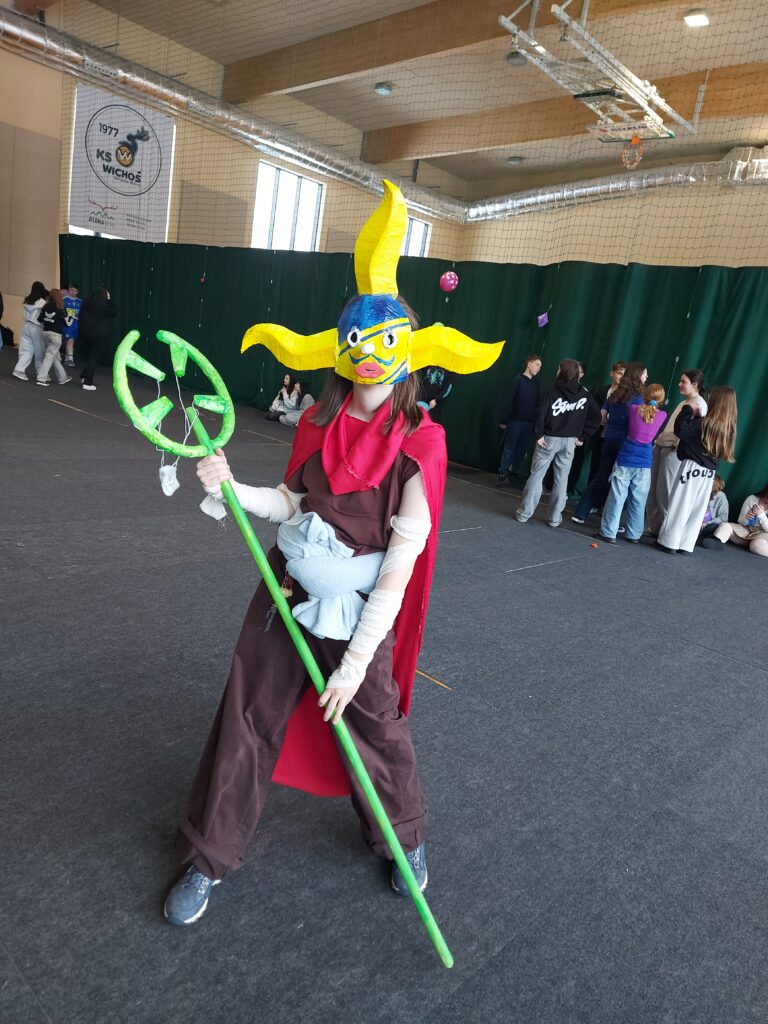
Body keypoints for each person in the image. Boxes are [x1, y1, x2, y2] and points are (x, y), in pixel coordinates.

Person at [162, 180, 504, 927]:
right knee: (247, 713)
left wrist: (352, 665)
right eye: (358, 346)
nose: (368, 360)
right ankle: (209, 855)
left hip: (359, 613)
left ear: (405, 352)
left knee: (374, 723)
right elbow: (292, 503)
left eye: (383, 346)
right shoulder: (318, 420)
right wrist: (233, 487)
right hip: (287, 591)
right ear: (344, 351)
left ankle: (401, 840)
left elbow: (400, 567)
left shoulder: (421, 445)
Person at [515, 359, 600, 528]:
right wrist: (582, 436)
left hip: (549, 438)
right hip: (569, 442)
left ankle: (524, 514)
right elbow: (596, 416)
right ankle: (554, 519)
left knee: (537, 475)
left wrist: (539, 434)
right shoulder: (584, 394)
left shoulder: (551, 391)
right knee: (561, 480)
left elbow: (540, 413)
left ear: (562, 372)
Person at [657, 386, 737, 555]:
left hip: (692, 467)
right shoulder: (728, 429)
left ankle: (669, 542)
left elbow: (681, 430)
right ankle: (686, 545)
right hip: (709, 473)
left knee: (680, 504)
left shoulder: (704, 423)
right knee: (697, 509)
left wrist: (688, 411)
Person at [571, 361, 647, 524]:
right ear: (638, 376)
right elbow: (638, 425)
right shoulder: (639, 399)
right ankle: (612, 521)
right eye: (645, 374)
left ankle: (580, 513)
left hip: (609, 440)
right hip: (625, 444)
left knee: (600, 476)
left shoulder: (615, 395)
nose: (646, 377)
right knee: (621, 482)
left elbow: (601, 418)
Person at [595, 383, 667, 544]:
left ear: (645, 395)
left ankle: (608, 532)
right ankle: (634, 534)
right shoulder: (662, 415)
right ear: (661, 399)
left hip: (626, 456)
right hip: (645, 460)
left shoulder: (634, 409)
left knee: (617, 497)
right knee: (639, 500)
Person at [646, 369, 707, 535]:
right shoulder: (684, 402)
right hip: (661, 446)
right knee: (653, 491)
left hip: (672, 451)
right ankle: (654, 528)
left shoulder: (700, 404)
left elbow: (692, 432)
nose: (680, 384)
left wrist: (676, 448)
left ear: (694, 384)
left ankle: (667, 533)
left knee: (665, 493)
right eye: (680, 381)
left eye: (684, 382)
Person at [496, 353, 542, 485]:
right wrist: (504, 420)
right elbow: (508, 400)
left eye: (540, 366)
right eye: (537, 365)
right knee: (509, 448)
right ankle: (503, 472)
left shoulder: (536, 384)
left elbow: (537, 404)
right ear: (529, 364)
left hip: (528, 423)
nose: (538, 368)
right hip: (515, 421)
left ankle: (515, 473)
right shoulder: (517, 380)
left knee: (521, 450)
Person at [586, 362, 626, 485]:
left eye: (624, 374)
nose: (621, 377)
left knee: (610, 470)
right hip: (600, 435)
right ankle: (590, 493)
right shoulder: (602, 392)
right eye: (619, 373)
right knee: (595, 466)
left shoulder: (626, 396)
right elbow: (594, 413)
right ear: (612, 373)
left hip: (615, 438)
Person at [711, 484, 768, 557]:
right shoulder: (752, 499)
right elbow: (740, 521)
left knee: (756, 545)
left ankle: (754, 545)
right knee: (725, 526)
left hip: (762, 535)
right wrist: (746, 517)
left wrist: (761, 516)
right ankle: (717, 541)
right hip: (745, 531)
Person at [77, 287, 117, 390]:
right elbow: (114, 312)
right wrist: (109, 300)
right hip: (98, 335)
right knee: (93, 358)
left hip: (84, 333)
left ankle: (84, 376)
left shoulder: (86, 302)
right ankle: (87, 382)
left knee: (91, 357)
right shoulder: (104, 304)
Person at [12, 282, 48, 380]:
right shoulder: (42, 302)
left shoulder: (27, 300)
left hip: (26, 326)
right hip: (37, 327)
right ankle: (40, 372)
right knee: (39, 351)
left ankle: (19, 370)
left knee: (26, 350)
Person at [36, 289, 71, 387]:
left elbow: (39, 319)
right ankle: (41, 378)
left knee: (54, 356)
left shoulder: (45, 306)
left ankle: (62, 377)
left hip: (45, 333)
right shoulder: (60, 308)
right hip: (55, 334)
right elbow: (66, 323)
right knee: (49, 357)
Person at [697, 476, 729, 549]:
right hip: (698, 522)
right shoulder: (701, 492)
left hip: (710, 524)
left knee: (714, 527)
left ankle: (712, 540)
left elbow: (723, 518)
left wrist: (707, 522)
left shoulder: (721, 496)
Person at [62, 282, 82, 367]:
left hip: (76, 325)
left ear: (78, 291)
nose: (73, 292)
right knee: (70, 341)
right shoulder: (64, 300)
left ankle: (67, 359)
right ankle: (70, 359)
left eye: (75, 291)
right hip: (67, 325)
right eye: (71, 290)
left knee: (71, 342)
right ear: (69, 290)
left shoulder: (80, 302)